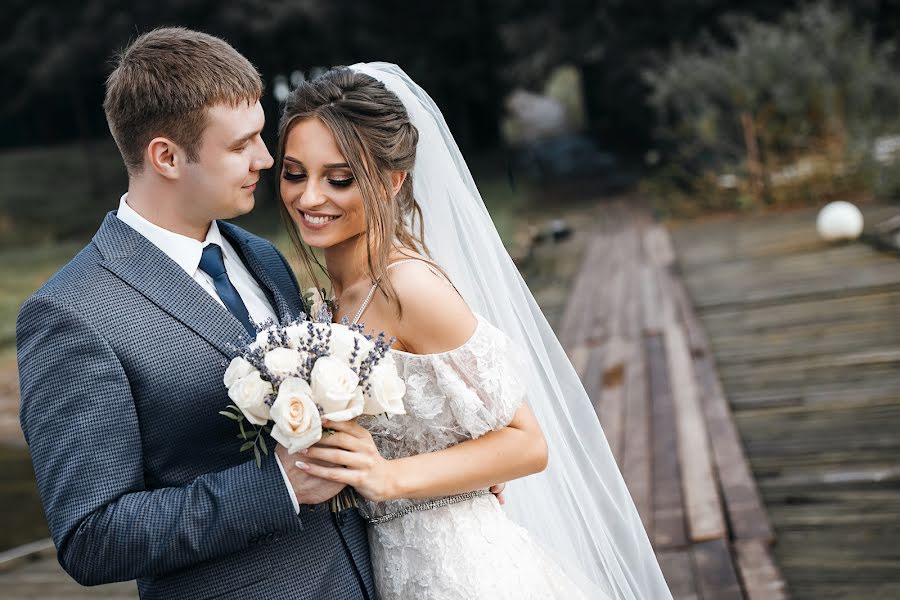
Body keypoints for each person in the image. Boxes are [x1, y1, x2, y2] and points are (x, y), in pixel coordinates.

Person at [274, 64, 673, 599]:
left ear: (392, 182)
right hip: (394, 567)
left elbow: (526, 443)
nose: (309, 197)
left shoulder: (411, 288)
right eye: (295, 173)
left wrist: (389, 478)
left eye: (339, 178)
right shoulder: (335, 294)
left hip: (461, 573)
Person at [16, 28, 376, 599]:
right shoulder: (72, 314)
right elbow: (91, 537)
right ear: (166, 156)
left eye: (262, 136)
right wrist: (277, 487)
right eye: (241, 145)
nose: (265, 159)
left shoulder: (262, 257)